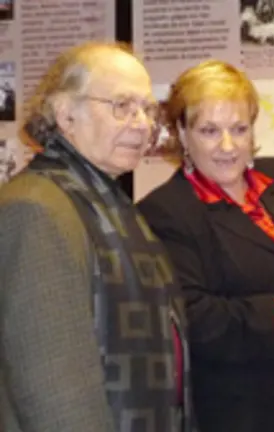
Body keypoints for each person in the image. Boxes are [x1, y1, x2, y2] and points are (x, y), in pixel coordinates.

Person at [138, 59, 274, 432]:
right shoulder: (165, 212)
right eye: (209, 130)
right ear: (182, 132)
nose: (228, 146)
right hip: (241, 413)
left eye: (239, 129)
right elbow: (194, 321)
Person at [0, 42, 193, 432]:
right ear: (66, 114)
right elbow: (55, 391)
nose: (141, 124)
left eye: (147, 109)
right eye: (122, 105)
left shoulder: (104, 201)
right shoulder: (35, 208)